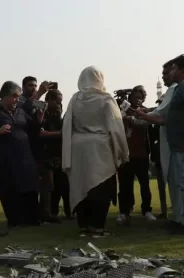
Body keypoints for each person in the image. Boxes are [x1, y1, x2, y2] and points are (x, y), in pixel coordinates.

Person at [135, 55, 184, 235]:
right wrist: (143, 116)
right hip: (179, 144)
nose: (170, 73)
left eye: (173, 69)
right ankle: (181, 220)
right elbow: (166, 120)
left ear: (181, 69)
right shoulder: (180, 87)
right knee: (181, 184)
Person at [62, 66, 129, 238]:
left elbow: (67, 125)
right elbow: (116, 127)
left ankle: (84, 226)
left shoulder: (74, 99)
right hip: (100, 147)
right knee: (101, 186)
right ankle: (98, 227)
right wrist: (122, 151)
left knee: (81, 185)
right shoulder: (106, 99)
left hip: (78, 147)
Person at [0, 81, 42, 228]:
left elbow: (33, 129)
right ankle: (14, 220)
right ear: (3, 96)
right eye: (14, 96)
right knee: (9, 188)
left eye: (18, 97)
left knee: (30, 187)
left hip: (25, 156)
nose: (16, 100)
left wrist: (39, 119)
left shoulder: (20, 111)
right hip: (4, 158)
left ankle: (32, 218)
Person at [19, 76, 56, 223]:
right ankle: (30, 215)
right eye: (30, 85)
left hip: (39, 147)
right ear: (23, 87)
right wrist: (40, 92)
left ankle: (44, 215)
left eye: (35, 86)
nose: (33, 88)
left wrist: (40, 118)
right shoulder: (19, 100)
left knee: (46, 182)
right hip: (25, 147)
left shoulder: (37, 102)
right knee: (29, 183)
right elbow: (23, 109)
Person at [142, 63, 176, 220]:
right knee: (161, 184)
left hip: (171, 151)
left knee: (175, 182)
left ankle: (177, 211)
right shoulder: (154, 121)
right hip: (158, 155)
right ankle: (164, 210)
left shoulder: (166, 117)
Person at [117, 86, 155, 226]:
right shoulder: (122, 109)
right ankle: (124, 212)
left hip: (142, 154)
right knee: (124, 186)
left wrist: (135, 117)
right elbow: (118, 119)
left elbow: (148, 121)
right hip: (125, 154)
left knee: (145, 185)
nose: (138, 100)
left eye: (141, 98)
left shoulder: (145, 111)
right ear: (130, 97)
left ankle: (147, 210)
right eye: (135, 97)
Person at [42, 89, 71, 220]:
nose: (59, 105)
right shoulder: (42, 115)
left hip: (60, 154)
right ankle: (49, 214)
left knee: (63, 186)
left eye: (60, 102)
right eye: (57, 102)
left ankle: (68, 211)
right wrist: (60, 134)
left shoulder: (59, 116)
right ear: (49, 100)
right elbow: (40, 133)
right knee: (49, 187)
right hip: (47, 155)